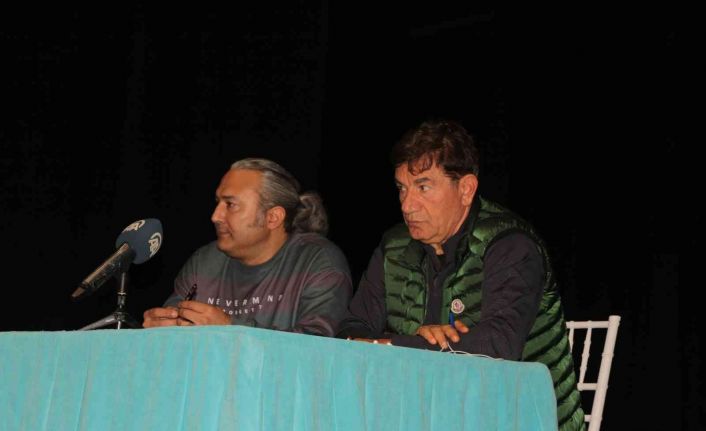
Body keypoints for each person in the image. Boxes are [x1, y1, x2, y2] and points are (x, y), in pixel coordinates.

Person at [337, 120, 585, 430]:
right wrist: (404, 343)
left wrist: (395, 346)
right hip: (427, 415)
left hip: (520, 417)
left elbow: (498, 345)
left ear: (465, 189)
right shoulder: (394, 247)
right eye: (402, 188)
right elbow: (350, 330)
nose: (407, 205)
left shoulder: (510, 245)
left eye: (423, 187)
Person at [143, 158, 353, 337]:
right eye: (217, 203)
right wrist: (161, 328)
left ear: (273, 217)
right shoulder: (204, 262)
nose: (215, 216)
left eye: (230, 205)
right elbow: (172, 331)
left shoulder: (319, 262)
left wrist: (230, 330)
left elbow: (317, 351)